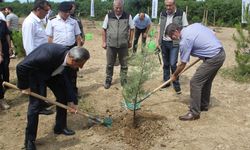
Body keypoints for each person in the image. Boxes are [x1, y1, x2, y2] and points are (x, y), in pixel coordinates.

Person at [16, 43, 90, 149]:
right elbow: (21, 66)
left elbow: (67, 82)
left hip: (53, 73)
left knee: (62, 97)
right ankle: (29, 140)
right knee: (35, 106)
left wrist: (71, 101)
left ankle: (60, 127)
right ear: (73, 61)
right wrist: (24, 86)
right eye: (80, 65)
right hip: (36, 74)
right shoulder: (47, 54)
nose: (81, 67)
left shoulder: (69, 61)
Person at [166, 23, 226, 121]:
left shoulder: (185, 40)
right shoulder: (194, 26)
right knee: (205, 81)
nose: (173, 39)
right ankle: (203, 105)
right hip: (220, 53)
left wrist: (175, 75)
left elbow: (182, 64)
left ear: (176, 31)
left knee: (195, 82)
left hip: (213, 58)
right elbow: (213, 34)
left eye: (172, 37)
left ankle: (194, 113)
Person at [22, 0, 53, 116]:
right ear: (38, 9)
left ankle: (42, 102)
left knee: (42, 83)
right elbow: (28, 45)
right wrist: (33, 62)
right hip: (35, 60)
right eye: (46, 10)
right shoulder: (30, 22)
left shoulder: (38, 21)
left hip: (42, 58)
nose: (47, 13)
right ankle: (38, 107)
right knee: (36, 85)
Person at [46, 1, 82, 97]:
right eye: (65, 12)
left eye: (69, 12)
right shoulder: (52, 21)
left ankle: (73, 92)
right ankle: (62, 93)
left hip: (71, 50)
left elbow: (78, 36)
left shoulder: (74, 21)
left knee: (72, 72)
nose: (67, 14)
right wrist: (51, 52)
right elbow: (49, 38)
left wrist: (78, 50)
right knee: (60, 72)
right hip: (58, 50)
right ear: (60, 11)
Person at [157, 0, 188, 94]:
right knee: (165, 63)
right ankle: (166, 82)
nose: (168, 8)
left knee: (173, 64)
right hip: (164, 42)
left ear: (174, 4)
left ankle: (176, 85)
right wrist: (158, 41)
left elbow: (186, 27)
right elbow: (160, 28)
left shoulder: (181, 13)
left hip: (174, 42)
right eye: (166, 5)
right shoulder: (162, 13)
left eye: (170, 5)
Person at [102, 0, 134, 89]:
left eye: (120, 7)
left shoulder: (128, 16)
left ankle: (123, 79)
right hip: (111, 45)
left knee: (124, 64)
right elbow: (104, 29)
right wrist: (104, 42)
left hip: (123, 46)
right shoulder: (108, 16)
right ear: (113, 7)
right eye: (117, 7)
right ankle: (108, 79)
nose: (118, 9)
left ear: (123, 7)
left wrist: (130, 41)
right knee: (109, 64)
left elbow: (132, 29)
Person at [0, 19, 11, 110]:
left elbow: (6, 35)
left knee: (4, 69)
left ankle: (1, 99)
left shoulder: (2, 22)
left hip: (4, 49)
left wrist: (0, 53)